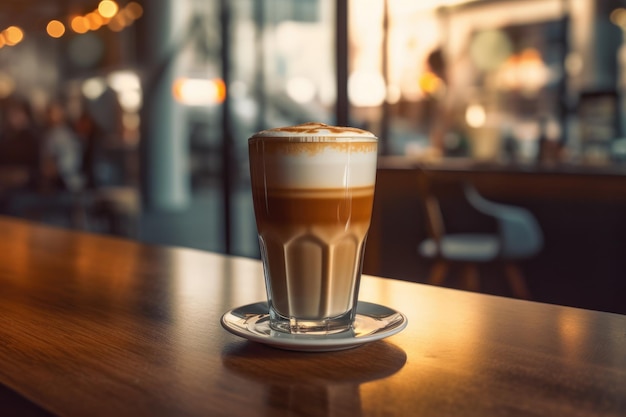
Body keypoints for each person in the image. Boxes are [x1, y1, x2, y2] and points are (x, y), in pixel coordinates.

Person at [40, 101, 84, 192]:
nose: (52, 117)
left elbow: (72, 160)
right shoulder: (48, 134)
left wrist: (57, 168)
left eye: (56, 113)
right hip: (52, 184)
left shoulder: (66, 134)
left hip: (67, 182)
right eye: (50, 114)